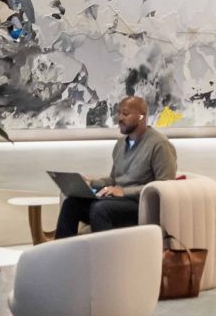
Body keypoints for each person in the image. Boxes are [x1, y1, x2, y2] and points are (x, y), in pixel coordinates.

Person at [51, 95, 178, 238]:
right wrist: (91, 183)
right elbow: (113, 180)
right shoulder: (120, 144)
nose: (120, 118)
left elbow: (165, 186)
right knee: (71, 204)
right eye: (118, 113)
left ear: (141, 116)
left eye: (125, 113)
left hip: (140, 206)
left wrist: (124, 192)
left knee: (99, 209)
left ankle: (106, 258)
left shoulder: (159, 145)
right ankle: (63, 256)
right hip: (116, 201)